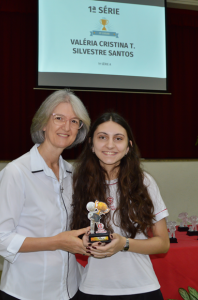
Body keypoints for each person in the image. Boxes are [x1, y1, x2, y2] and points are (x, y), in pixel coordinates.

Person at [0, 90, 91, 300]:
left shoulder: (72, 173)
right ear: (44, 123)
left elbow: (68, 229)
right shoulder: (16, 172)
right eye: (59, 118)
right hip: (28, 291)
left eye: (74, 121)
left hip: (70, 289)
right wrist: (56, 242)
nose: (67, 127)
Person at [71, 112, 170, 300]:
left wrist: (123, 244)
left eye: (118, 138)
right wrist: (82, 244)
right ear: (91, 144)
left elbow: (163, 244)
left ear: (128, 147)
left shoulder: (144, 183)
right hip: (93, 288)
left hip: (141, 288)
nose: (110, 145)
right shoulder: (77, 184)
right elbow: (69, 236)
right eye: (102, 137)